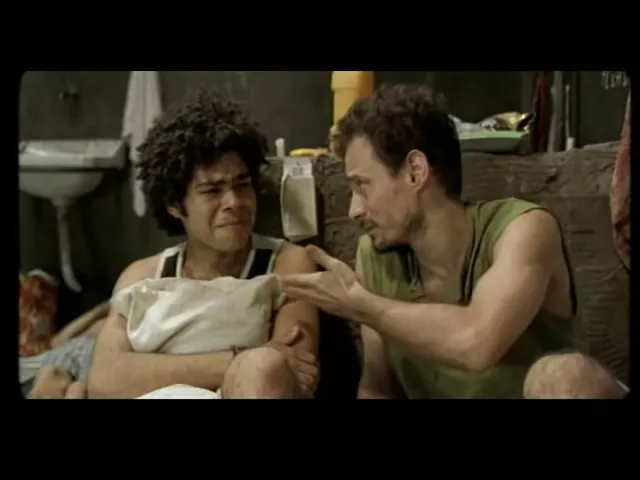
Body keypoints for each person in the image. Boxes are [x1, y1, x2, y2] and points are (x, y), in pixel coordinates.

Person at [281, 83, 627, 399]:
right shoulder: (375, 256)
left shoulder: (523, 229)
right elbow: (377, 389)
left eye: (362, 185)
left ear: (415, 172)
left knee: (563, 375)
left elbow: (477, 343)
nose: (354, 210)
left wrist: (361, 305)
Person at [82, 88, 319, 399]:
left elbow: (292, 374)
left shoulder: (288, 263)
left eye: (242, 185)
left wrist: (148, 370)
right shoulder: (141, 278)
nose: (234, 202)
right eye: (212, 191)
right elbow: (104, 381)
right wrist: (234, 360)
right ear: (174, 204)